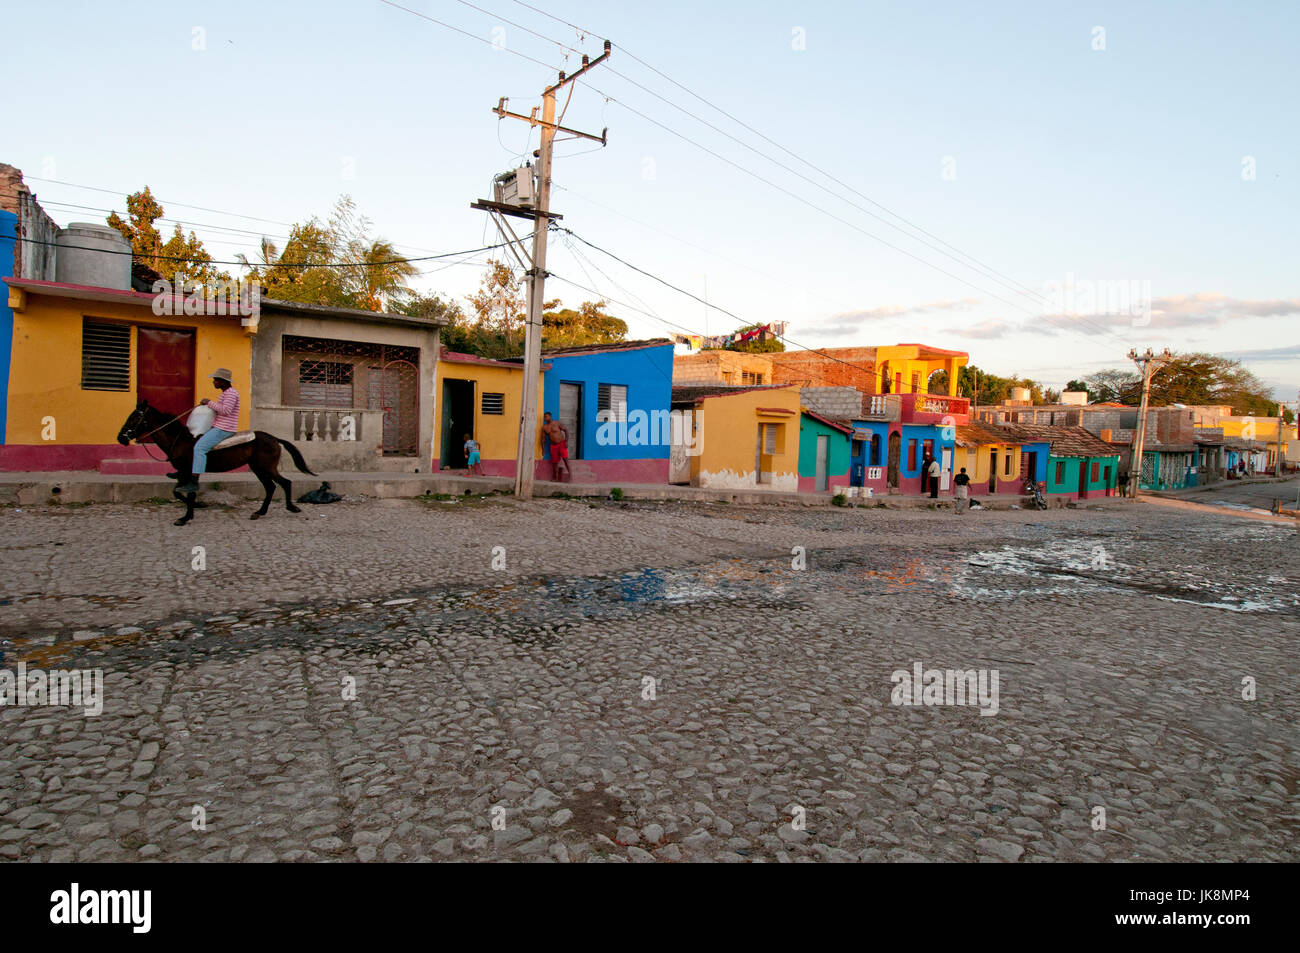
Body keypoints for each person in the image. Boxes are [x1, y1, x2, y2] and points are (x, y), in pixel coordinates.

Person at [177, 369, 239, 493]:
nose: (214, 382)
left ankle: (194, 482)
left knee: (199, 448)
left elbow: (226, 410)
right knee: (194, 441)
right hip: (219, 426)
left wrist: (209, 402)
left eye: (216, 380)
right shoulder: (226, 393)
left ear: (223, 382)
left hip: (224, 428)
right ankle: (184, 472)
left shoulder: (231, 393)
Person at [541, 412, 571, 481]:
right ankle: (556, 478)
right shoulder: (544, 427)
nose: (545, 418)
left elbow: (565, 430)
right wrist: (543, 449)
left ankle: (570, 475)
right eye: (544, 417)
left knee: (565, 459)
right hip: (553, 446)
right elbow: (543, 439)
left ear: (550, 416)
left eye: (546, 416)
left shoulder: (556, 423)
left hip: (561, 444)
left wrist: (566, 441)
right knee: (554, 462)